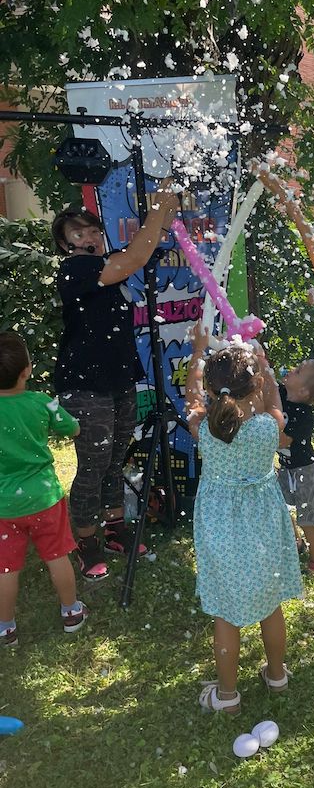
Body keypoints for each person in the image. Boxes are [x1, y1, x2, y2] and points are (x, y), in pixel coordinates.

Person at [51, 184, 178, 581]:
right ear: (66, 245)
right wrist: (157, 209)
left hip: (119, 377)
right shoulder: (76, 269)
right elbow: (136, 257)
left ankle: (115, 529)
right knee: (93, 464)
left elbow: (146, 248)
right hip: (84, 384)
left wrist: (167, 210)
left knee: (114, 459)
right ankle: (87, 545)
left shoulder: (106, 262)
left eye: (93, 230)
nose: (89, 236)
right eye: (78, 233)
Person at [185, 325, 303, 713]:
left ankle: (227, 696)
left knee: (225, 613)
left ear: (212, 389)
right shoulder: (269, 427)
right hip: (264, 525)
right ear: (257, 386)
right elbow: (274, 403)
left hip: (220, 529)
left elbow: (191, 397)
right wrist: (264, 365)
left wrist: (198, 352)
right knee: (271, 605)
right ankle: (277, 675)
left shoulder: (204, 429)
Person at [0, 332, 87, 648]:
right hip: (44, 497)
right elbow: (73, 427)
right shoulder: (41, 402)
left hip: (4, 504)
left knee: (5, 567)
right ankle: (71, 612)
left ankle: (5, 628)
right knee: (56, 555)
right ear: (27, 370)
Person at [277, 359, 314, 574]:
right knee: (277, 505)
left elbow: (283, 441)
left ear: (302, 391)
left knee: (308, 519)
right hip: (286, 468)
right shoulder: (280, 393)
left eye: (298, 371)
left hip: (305, 471)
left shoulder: (303, 415)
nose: (291, 369)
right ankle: (296, 542)